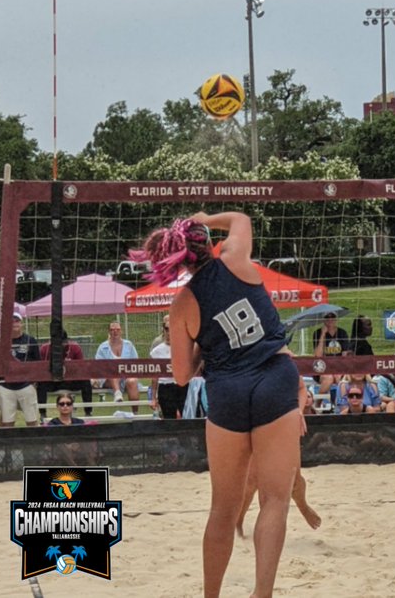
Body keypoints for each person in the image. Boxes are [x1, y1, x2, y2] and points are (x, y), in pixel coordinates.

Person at [131, 211, 304, 598]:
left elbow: (180, 376)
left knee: (222, 511)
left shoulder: (181, 306)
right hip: (274, 378)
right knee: (275, 499)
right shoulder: (236, 256)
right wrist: (208, 216)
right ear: (207, 243)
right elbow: (241, 217)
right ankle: (262, 594)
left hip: (227, 389)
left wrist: (203, 348)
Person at [40, 330, 94, 418]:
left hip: (71, 381)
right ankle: (42, 413)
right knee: (41, 384)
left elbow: (81, 367)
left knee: (86, 381)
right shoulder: (45, 349)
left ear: (66, 341)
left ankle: (88, 411)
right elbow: (40, 369)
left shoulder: (75, 347)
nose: (59, 346)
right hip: (53, 381)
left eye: (62, 343)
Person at [1, 311, 41, 427]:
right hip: (6, 385)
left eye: (17, 321)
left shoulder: (30, 340)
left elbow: (37, 362)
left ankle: (35, 444)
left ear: (21, 323)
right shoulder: (1, 342)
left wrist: (33, 382)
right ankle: (6, 445)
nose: (15, 323)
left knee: (32, 420)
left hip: (26, 384)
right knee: (7, 422)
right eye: (12, 321)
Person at [95, 321, 141, 411]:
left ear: (121, 331)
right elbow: (99, 366)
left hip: (126, 376)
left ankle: (135, 413)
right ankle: (117, 392)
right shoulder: (102, 347)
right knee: (113, 372)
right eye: (112, 330)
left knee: (132, 381)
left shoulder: (129, 345)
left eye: (117, 329)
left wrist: (125, 372)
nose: (115, 332)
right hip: (108, 379)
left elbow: (136, 363)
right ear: (109, 332)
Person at [150, 314, 189, 419]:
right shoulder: (156, 351)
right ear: (163, 330)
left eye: (172, 329)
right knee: (169, 420)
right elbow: (154, 377)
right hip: (165, 386)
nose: (169, 332)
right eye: (167, 329)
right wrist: (153, 397)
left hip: (182, 385)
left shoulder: (184, 348)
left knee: (187, 418)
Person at [312, 311, 351, 393]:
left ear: (336, 319)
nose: (330, 320)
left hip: (339, 366)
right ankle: (318, 403)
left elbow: (345, 355)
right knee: (328, 378)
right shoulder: (317, 333)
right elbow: (318, 355)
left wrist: (337, 367)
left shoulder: (342, 333)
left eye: (332, 317)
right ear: (323, 320)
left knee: (338, 377)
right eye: (327, 317)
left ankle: (341, 402)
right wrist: (323, 334)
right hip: (322, 367)